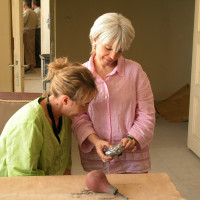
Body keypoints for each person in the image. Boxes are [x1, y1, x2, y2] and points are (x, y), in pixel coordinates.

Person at [72, 13, 155, 174]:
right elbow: (78, 117)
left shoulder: (135, 72)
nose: (113, 56)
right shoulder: (82, 74)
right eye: (108, 48)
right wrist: (95, 141)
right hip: (96, 157)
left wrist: (133, 138)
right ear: (95, 39)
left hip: (133, 160)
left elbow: (147, 113)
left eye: (119, 51)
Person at [0, 57, 98, 176]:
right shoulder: (30, 122)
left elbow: (64, 164)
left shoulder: (64, 116)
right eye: (84, 104)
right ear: (65, 100)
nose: (86, 109)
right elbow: (22, 176)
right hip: (16, 188)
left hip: (48, 187)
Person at [23, 0, 37, 73]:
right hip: (32, 31)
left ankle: (31, 67)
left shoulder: (27, 12)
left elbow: (22, 21)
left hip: (27, 32)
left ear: (24, 5)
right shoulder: (33, 12)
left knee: (28, 50)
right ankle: (31, 66)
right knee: (31, 49)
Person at [32, 0, 41, 68]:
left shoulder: (36, 12)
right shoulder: (39, 10)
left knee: (37, 46)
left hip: (37, 29)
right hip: (39, 29)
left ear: (33, 3)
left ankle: (38, 63)